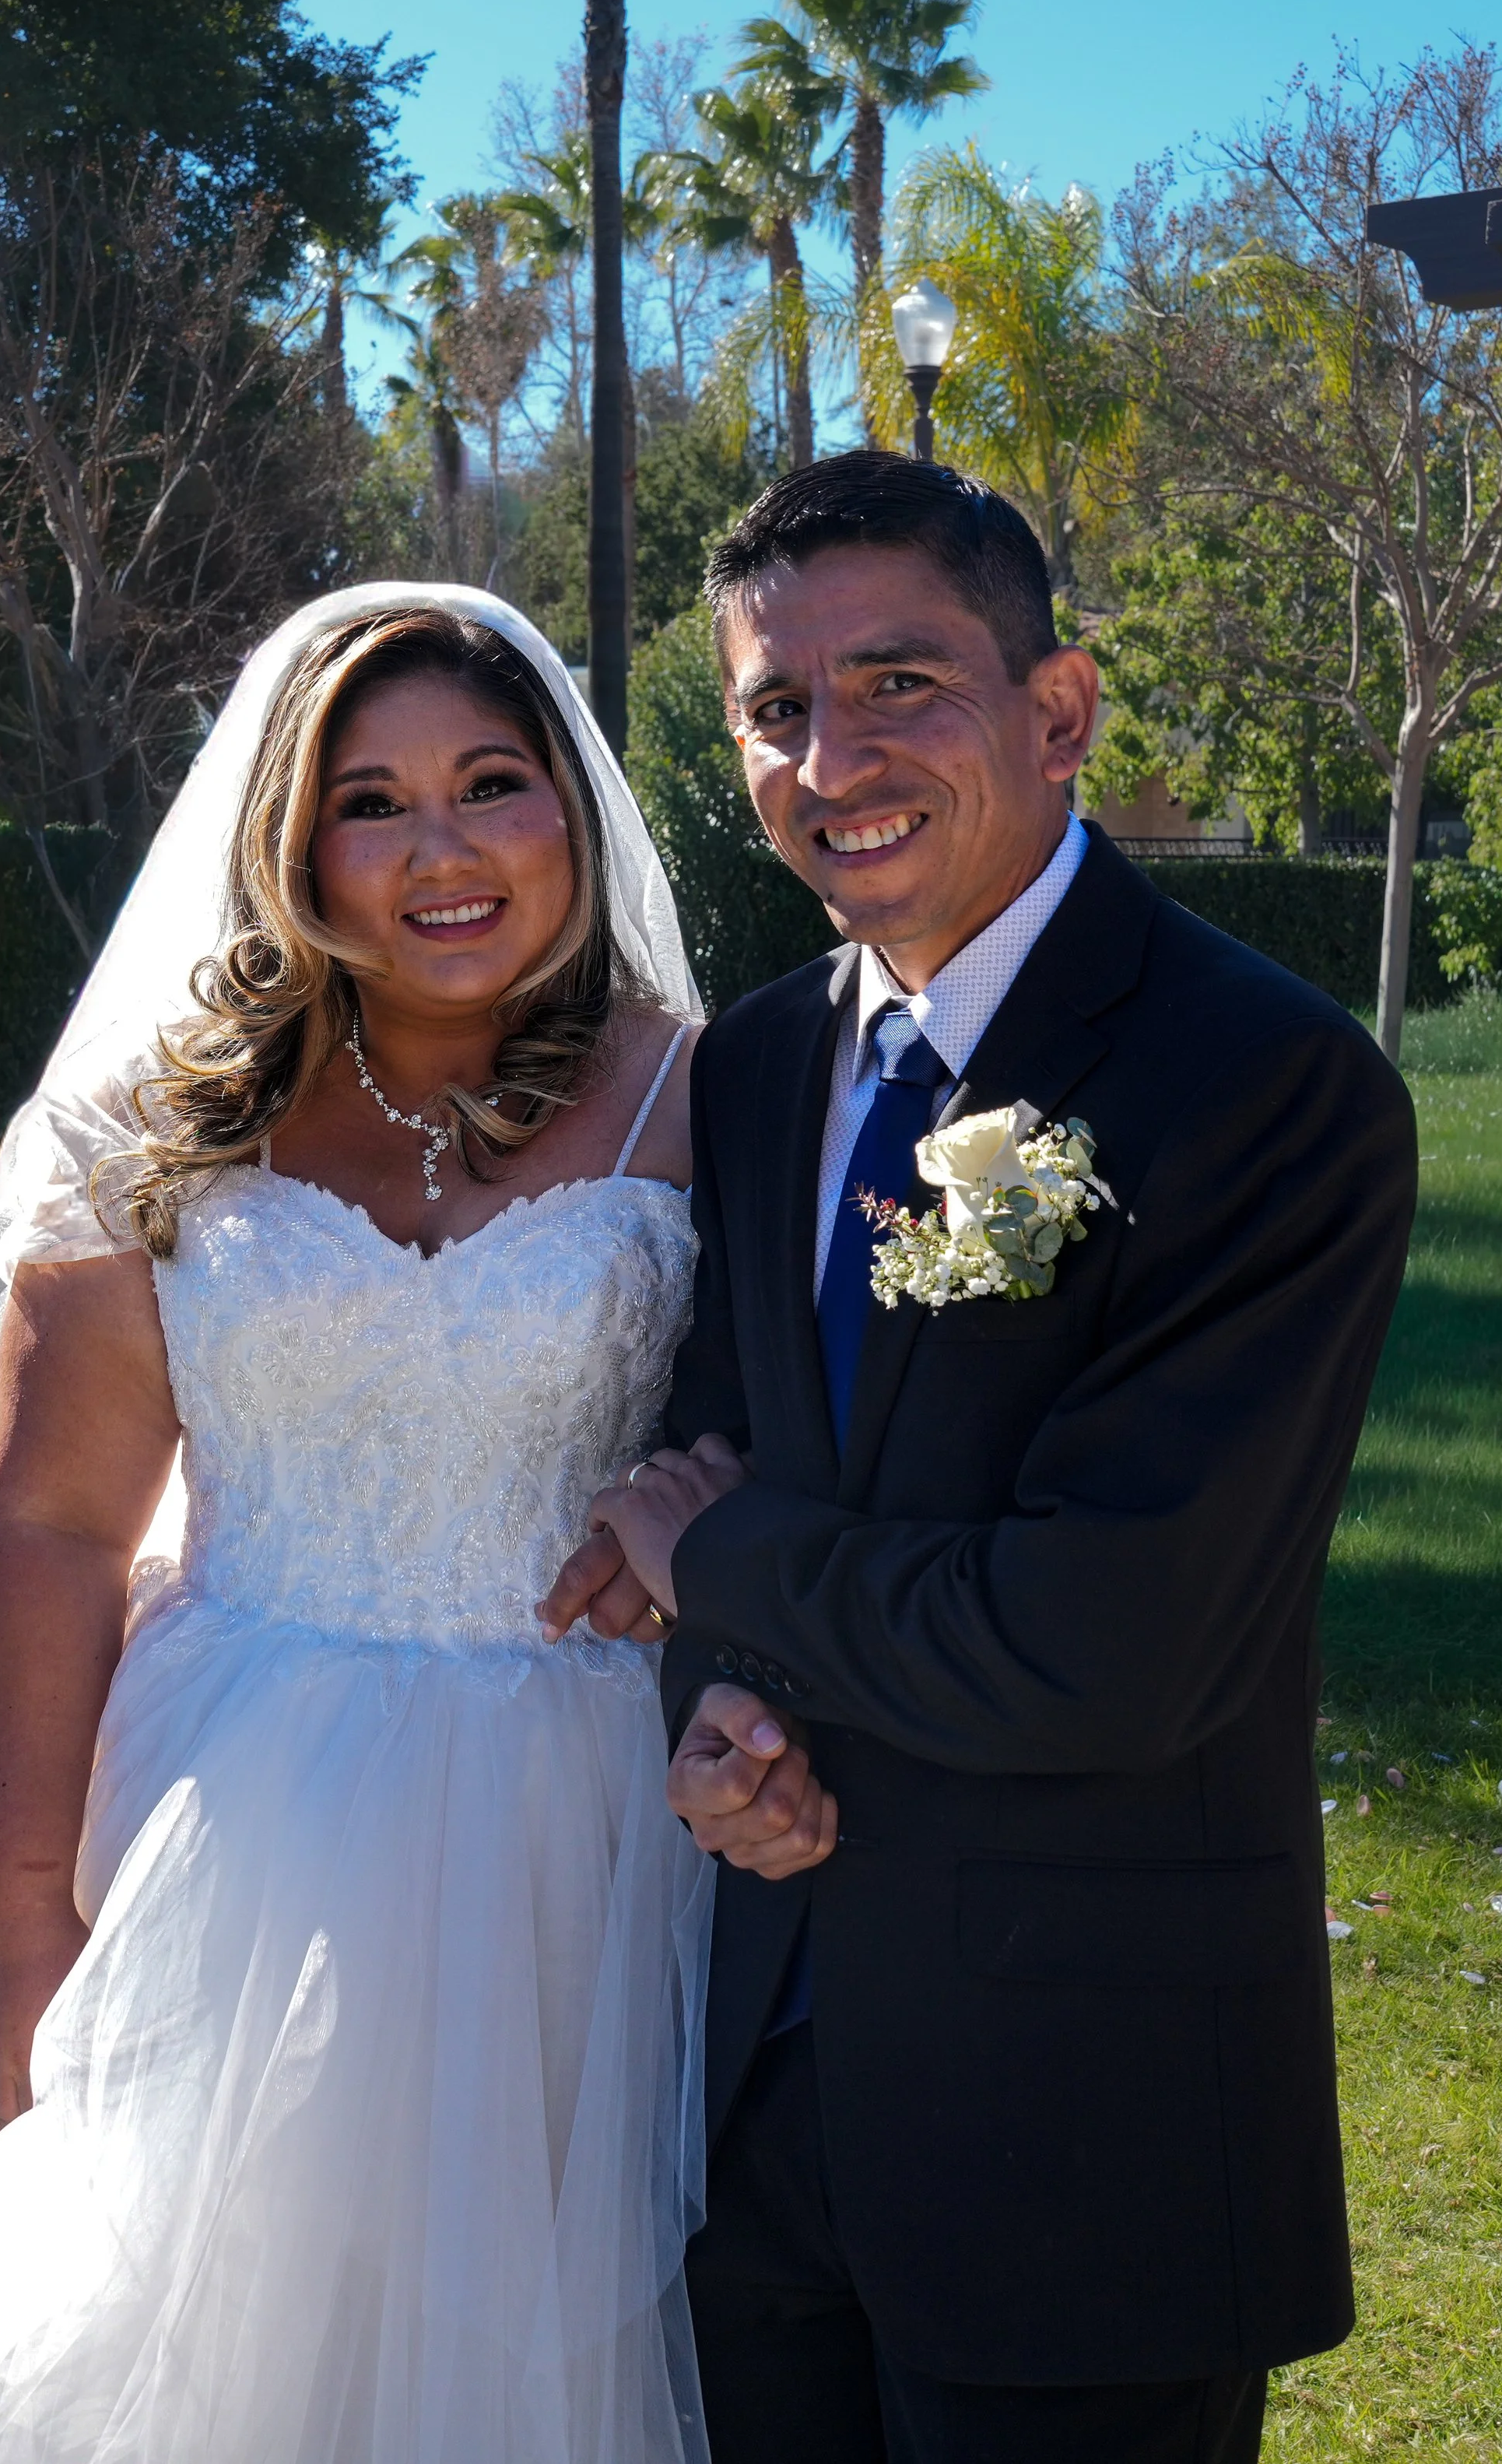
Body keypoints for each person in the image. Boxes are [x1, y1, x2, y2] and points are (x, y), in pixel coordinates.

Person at [0, 587, 720, 2464]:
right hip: (222, 1819)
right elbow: (51, 1522)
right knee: (149, 2331)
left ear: (572, 810)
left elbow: (808, 1422)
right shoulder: (160, 1120)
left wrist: (714, 1490)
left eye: (491, 783)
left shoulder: (708, 1091)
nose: (440, 851)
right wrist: (22, 1909)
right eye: (371, 805)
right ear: (292, 846)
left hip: (590, 1841)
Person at [544, 457, 1418, 2464]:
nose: (826, 755)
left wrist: (727, 1572)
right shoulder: (757, 1065)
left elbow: (1102, 1642)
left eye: (898, 683)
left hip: (1079, 2138)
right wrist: (719, 1721)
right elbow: (716, 1465)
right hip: (749, 2101)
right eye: (775, 709)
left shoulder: (1264, 1089)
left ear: (1059, 708)